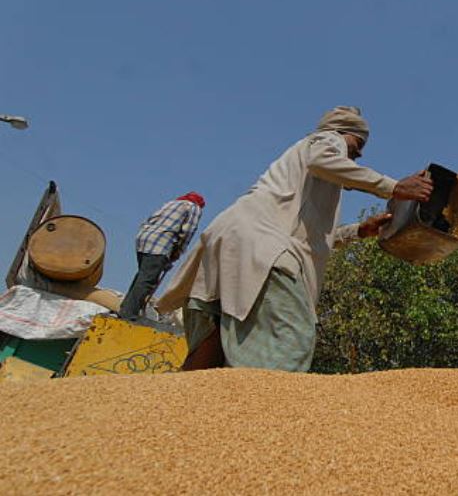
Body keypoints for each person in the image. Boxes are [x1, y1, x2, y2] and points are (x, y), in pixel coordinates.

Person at [156, 106, 433, 371]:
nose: (353, 158)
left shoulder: (303, 183)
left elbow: (305, 237)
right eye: (354, 149)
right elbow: (323, 160)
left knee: (213, 345)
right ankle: (261, 415)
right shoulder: (328, 140)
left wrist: (359, 231)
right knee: (291, 340)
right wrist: (393, 186)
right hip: (260, 242)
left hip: (228, 239)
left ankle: (183, 412)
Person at [119, 192, 205, 320]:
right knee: (147, 280)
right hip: (160, 243)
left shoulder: (172, 203)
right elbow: (187, 231)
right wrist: (178, 252)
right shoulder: (193, 207)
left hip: (144, 239)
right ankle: (129, 314)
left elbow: (150, 219)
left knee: (142, 276)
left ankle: (126, 309)